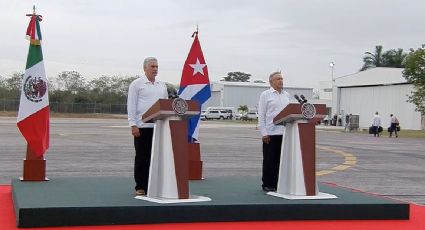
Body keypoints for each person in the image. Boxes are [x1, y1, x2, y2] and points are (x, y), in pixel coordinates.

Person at [127, 57, 168, 196]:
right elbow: (131, 105)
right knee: (142, 157)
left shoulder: (162, 85)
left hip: (159, 127)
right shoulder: (137, 84)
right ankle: (141, 186)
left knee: (157, 158)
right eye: (152, 66)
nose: (155, 69)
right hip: (142, 127)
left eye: (157, 66)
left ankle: (154, 185)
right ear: (145, 68)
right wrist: (133, 124)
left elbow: (165, 105)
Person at [258, 71, 290, 192]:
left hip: (285, 133)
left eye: (282, 78)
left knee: (281, 160)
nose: (281, 81)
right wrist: (264, 132)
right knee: (269, 160)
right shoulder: (265, 95)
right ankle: (267, 183)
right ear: (271, 82)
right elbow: (261, 115)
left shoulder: (286, 95)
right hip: (271, 133)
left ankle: (279, 183)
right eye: (278, 79)